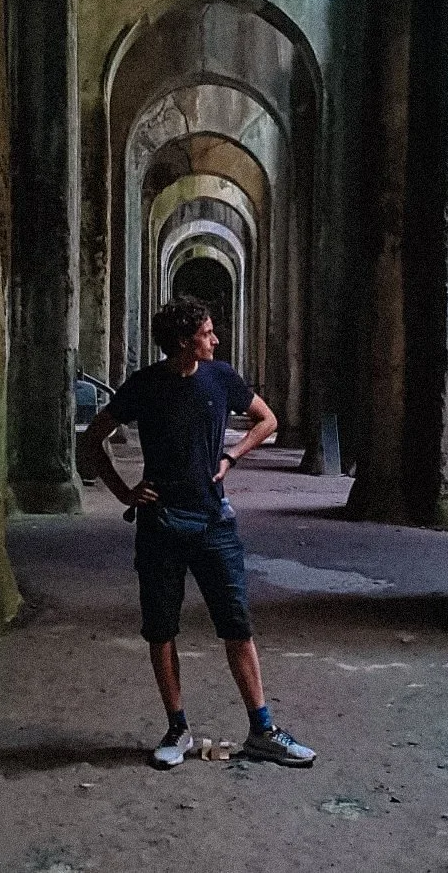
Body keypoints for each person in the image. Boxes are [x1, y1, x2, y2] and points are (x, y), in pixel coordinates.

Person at [78, 296, 316, 769]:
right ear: (186, 342)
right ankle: (177, 729)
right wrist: (125, 493)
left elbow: (267, 420)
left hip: (214, 521)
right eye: (208, 333)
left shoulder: (221, 377)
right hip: (160, 524)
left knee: (237, 625)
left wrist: (231, 457)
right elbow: (92, 439)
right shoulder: (145, 386)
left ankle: (263, 729)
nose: (216, 339)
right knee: (161, 630)